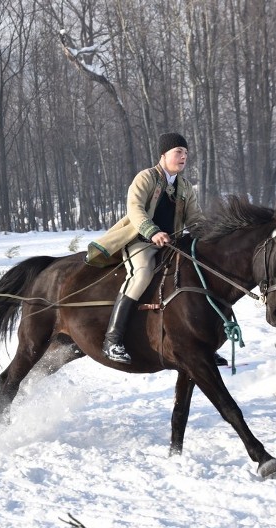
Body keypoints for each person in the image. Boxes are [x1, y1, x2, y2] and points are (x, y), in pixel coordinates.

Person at [87, 132, 210, 364]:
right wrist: (153, 231)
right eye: (178, 152)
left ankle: (200, 343)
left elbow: (195, 219)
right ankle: (112, 340)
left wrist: (208, 234)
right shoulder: (145, 178)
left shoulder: (185, 186)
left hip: (171, 245)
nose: (183, 157)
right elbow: (135, 209)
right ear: (163, 155)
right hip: (140, 241)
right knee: (141, 274)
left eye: (185, 153)